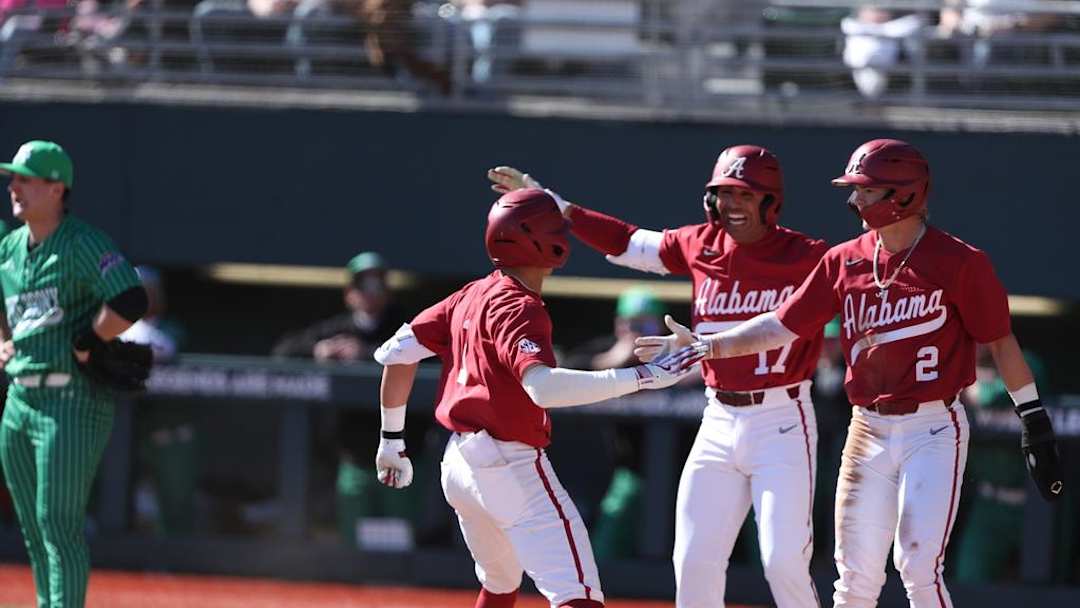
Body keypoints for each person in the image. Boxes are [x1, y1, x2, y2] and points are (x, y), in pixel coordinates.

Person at [651, 138, 1065, 607]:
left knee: (918, 566)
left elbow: (1000, 340)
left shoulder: (960, 262)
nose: (856, 200)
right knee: (854, 579)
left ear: (905, 195)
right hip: (867, 427)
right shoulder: (844, 259)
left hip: (933, 426)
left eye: (868, 191)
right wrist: (711, 344)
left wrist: (1033, 418)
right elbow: (782, 323)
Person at [489, 146, 829, 608]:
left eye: (744, 195)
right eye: (722, 194)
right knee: (693, 556)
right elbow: (628, 243)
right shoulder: (701, 244)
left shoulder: (808, 255)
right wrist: (560, 208)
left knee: (783, 561)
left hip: (783, 418)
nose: (731, 206)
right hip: (719, 415)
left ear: (771, 201)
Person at [372, 188, 696, 608]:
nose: (565, 233)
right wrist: (644, 376)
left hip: (458, 465)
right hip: (510, 464)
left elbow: (397, 353)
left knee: (500, 582)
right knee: (578, 594)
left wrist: (390, 440)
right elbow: (542, 387)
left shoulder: (470, 293)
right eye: (557, 226)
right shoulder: (521, 306)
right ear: (542, 240)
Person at [0, 140, 148, 607]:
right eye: (14, 177)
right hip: (19, 402)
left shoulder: (84, 242)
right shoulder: (8, 248)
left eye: (26, 177)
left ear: (57, 188)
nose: (14, 186)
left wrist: (89, 339)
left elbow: (130, 300)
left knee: (57, 524)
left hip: (70, 399)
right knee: (33, 528)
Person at [271, 251, 423, 549]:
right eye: (361, 286)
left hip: (401, 453)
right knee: (355, 545)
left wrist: (364, 354)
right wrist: (319, 351)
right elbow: (283, 351)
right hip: (353, 454)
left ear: (387, 291)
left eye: (376, 286)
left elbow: (429, 357)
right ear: (349, 294)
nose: (368, 294)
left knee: (397, 544)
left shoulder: (404, 327)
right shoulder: (337, 328)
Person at [120, 266, 196, 537]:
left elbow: (161, 348)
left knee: (175, 504)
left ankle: (178, 564)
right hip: (131, 433)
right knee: (122, 499)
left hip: (171, 434)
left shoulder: (173, 329)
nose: (142, 297)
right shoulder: (117, 325)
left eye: (148, 292)